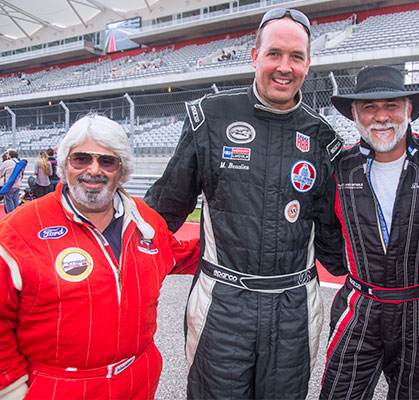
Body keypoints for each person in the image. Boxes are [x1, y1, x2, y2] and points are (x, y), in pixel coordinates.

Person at [145, 8, 343, 399]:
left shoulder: (321, 137)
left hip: (293, 312)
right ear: (254, 56)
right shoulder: (211, 118)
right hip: (222, 306)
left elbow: (335, 239)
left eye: (296, 56)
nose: (284, 67)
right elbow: (164, 208)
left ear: (308, 63)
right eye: (274, 53)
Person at [0, 114, 199, 399]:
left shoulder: (146, 220)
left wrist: (245, 249)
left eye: (107, 161)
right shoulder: (19, 229)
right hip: (57, 387)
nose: (94, 170)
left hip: (137, 379)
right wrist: (11, 390)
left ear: (122, 171)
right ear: (64, 164)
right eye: (81, 159)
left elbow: (176, 254)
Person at [319, 66, 419, 399]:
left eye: (391, 105)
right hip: (360, 304)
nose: (381, 117)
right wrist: (350, 269)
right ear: (354, 114)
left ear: (408, 109)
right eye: (369, 107)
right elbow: (324, 232)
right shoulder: (339, 166)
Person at [0, 149, 25, 214]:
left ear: (9, 156)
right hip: (18, 185)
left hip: (9, 185)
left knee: (9, 202)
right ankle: (15, 215)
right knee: (15, 202)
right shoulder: (20, 163)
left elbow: (1, 173)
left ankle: (11, 216)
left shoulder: (7, 163)